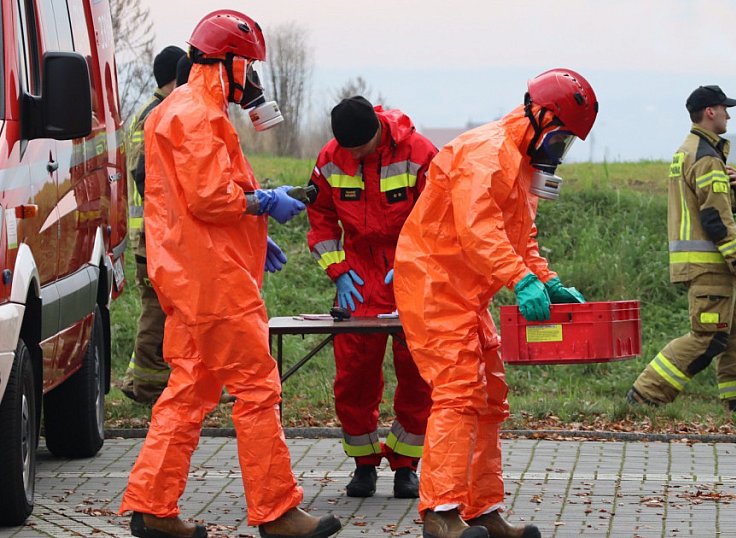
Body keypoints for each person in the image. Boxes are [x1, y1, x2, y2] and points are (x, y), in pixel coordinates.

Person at [118, 10, 341, 538]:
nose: (254, 81)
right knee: (258, 386)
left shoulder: (181, 109)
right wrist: (264, 203)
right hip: (214, 281)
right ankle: (277, 512)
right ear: (231, 63)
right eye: (251, 68)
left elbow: (192, 206)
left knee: (190, 389)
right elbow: (211, 196)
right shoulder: (196, 113)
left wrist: (254, 235)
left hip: (194, 273)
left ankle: (153, 506)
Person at [394, 68, 598, 538]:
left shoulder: (524, 167)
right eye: (562, 138)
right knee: (458, 394)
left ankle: (481, 508)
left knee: (489, 400)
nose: (559, 152)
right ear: (541, 116)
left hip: (467, 293)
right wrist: (520, 280)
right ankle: (440, 512)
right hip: (434, 286)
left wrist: (547, 281)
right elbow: (478, 231)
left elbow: (521, 240)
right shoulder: (485, 153)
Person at [306, 96, 436, 499]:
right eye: (348, 150)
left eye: (359, 150)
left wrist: (416, 262)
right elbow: (321, 218)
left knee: (417, 374)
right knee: (354, 376)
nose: (353, 156)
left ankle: (406, 465)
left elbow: (438, 215)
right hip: (359, 278)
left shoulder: (419, 153)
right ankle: (363, 465)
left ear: (377, 132)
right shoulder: (330, 158)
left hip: (410, 273)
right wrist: (338, 270)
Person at [628, 85, 736, 411]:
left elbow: (720, 202)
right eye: (725, 108)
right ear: (710, 112)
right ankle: (645, 397)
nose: (729, 114)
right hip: (711, 264)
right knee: (709, 337)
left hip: (713, 264)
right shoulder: (704, 158)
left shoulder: (693, 152)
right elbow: (715, 217)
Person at [120, 45, 187, 404]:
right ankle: (146, 385)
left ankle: (139, 378)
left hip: (147, 234)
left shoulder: (145, 113)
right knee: (156, 310)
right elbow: (150, 180)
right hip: (154, 236)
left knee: (158, 307)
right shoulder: (158, 115)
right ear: (175, 78)